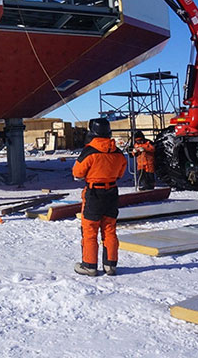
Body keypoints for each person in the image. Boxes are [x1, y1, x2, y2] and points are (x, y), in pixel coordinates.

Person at [72, 118, 127, 277]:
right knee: (109, 229)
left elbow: (77, 173)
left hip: (94, 194)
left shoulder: (89, 152)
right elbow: (121, 173)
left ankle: (89, 266)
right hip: (111, 193)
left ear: (91, 133)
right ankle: (110, 266)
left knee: (90, 230)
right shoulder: (118, 152)